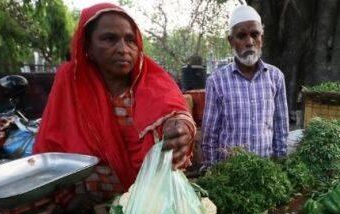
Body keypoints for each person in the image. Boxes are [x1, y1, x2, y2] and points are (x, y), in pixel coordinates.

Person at [34, 3, 196, 198]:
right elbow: (51, 144)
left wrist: (181, 129)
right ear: (88, 47)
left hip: (147, 205)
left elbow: (176, 114)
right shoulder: (71, 83)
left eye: (130, 40)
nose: (123, 49)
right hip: (87, 207)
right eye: (109, 39)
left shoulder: (153, 81)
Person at [201, 5, 289, 166]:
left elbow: (281, 129)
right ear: (231, 41)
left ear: (262, 38)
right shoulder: (217, 81)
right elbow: (209, 136)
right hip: (230, 176)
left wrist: (280, 167)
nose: (249, 42)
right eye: (241, 36)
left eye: (255, 34)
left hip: (266, 173)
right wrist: (212, 172)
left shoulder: (276, 77)